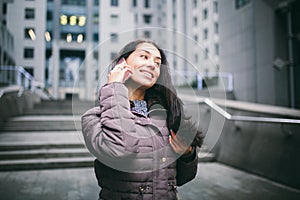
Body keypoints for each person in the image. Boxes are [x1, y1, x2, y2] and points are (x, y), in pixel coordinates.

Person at [81, 39, 204, 200]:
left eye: (157, 63)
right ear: (122, 63)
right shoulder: (95, 118)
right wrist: (114, 86)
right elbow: (120, 149)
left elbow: (182, 178)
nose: (152, 65)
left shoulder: (167, 116)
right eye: (144, 57)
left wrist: (187, 155)